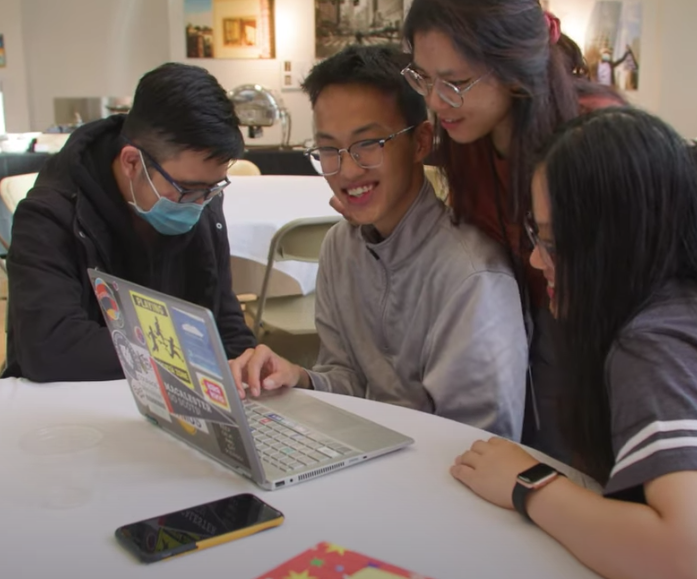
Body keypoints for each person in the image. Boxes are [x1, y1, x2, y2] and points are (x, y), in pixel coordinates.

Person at [363, 0, 625, 461]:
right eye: (424, 77)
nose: (435, 102)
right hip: (519, 322)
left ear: (514, 67)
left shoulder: (596, 134)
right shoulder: (466, 133)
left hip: (602, 335)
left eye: (456, 82)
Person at [230, 46, 528, 440]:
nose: (347, 170)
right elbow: (349, 381)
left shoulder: (471, 276)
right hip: (366, 453)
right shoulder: (340, 246)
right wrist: (298, 377)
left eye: (368, 144)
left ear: (420, 142)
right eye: (328, 149)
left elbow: (480, 443)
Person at [450, 107, 697, 579]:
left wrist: (529, 484)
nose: (536, 260)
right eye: (535, 234)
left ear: (618, 242)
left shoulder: (651, 346)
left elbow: (683, 554)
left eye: (553, 243)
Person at [2, 63, 255, 382]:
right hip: (78, 397)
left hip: (174, 393)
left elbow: (223, 319)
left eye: (212, 188)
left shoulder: (201, 197)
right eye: (186, 189)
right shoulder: (51, 215)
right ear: (132, 162)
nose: (200, 203)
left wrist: (248, 362)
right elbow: (51, 348)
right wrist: (192, 349)